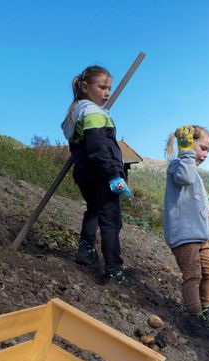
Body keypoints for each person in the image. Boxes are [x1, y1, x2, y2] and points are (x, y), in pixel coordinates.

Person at [62, 65, 131, 285]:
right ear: (85, 87)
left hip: (85, 174)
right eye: (101, 87)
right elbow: (98, 148)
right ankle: (113, 271)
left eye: (109, 88)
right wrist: (114, 175)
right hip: (103, 174)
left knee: (94, 209)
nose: (107, 93)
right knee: (111, 221)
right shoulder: (92, 113)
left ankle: (85, 250)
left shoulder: (76, 112)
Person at [163, 125, 209, 338]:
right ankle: (194, 317)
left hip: (198, 235)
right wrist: (186, 150)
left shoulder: (190, 169)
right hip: (184, 236)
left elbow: (192, 201)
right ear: (188, 143)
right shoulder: (179, 165)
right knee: (193, 275)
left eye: (208, 151)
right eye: (203, 148)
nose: (205, 155)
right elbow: (185, 178)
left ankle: (206, 307)